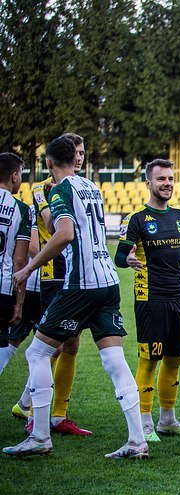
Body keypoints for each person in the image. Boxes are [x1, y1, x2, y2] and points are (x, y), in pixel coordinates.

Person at [4, 136, 146, 459]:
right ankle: (137, 440)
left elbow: (64, 234)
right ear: (74, 158)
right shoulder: (91, 187)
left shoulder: (60, 190)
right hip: (108, 281)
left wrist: (28, 269)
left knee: (37, 353)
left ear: (49, 163)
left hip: (81, 283)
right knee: (114, 360)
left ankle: (40, 436)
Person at [115, 158, 180, 443]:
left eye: (170, 179)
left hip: (177, 298)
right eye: (161, 179)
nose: (167, 184)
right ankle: (144, 423)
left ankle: (168, 420)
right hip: (150, 299)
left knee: (174, 360)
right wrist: (127, 259)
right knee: (149, 361)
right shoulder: (136, 219)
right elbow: (120, 255)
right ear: (148, 183)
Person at [12, 133, 91, 436]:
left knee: (72, 343)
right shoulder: (43, 189)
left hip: (78, 274)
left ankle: (58, 414)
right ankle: (31, 409)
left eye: (82, 152)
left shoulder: (83, 187)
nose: (79, 157)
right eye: (75, 152)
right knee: (51, 345)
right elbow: (49, 226)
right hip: (54, 274)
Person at [0, 153, 32, 376]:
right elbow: (20, 260)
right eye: (21, 174)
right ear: (14, 176)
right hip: (3, 290)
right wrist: (18, 303)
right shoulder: (20, 209)